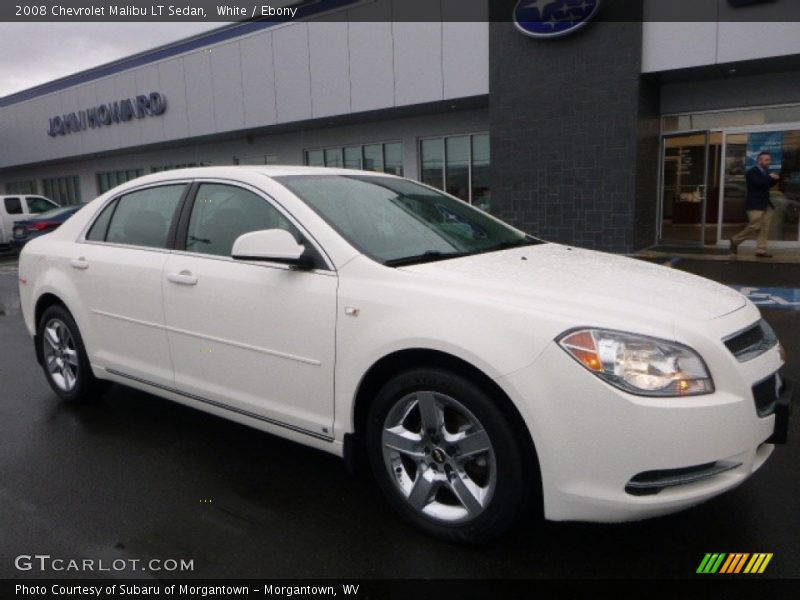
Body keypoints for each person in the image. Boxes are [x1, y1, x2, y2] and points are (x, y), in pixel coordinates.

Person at [730, 151, 780, 258]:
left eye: (769, 160)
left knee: (765, 228)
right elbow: (758, 183)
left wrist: (775, 179)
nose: (769, 162)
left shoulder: (765, 172)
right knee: (755, 226)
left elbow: (766, 185)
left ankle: (761, 250)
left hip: (766, 204)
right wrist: (770, 177)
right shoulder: (752, 172)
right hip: (755, 204)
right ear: (759, 160)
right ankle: (735, 240)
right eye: (767, 160)